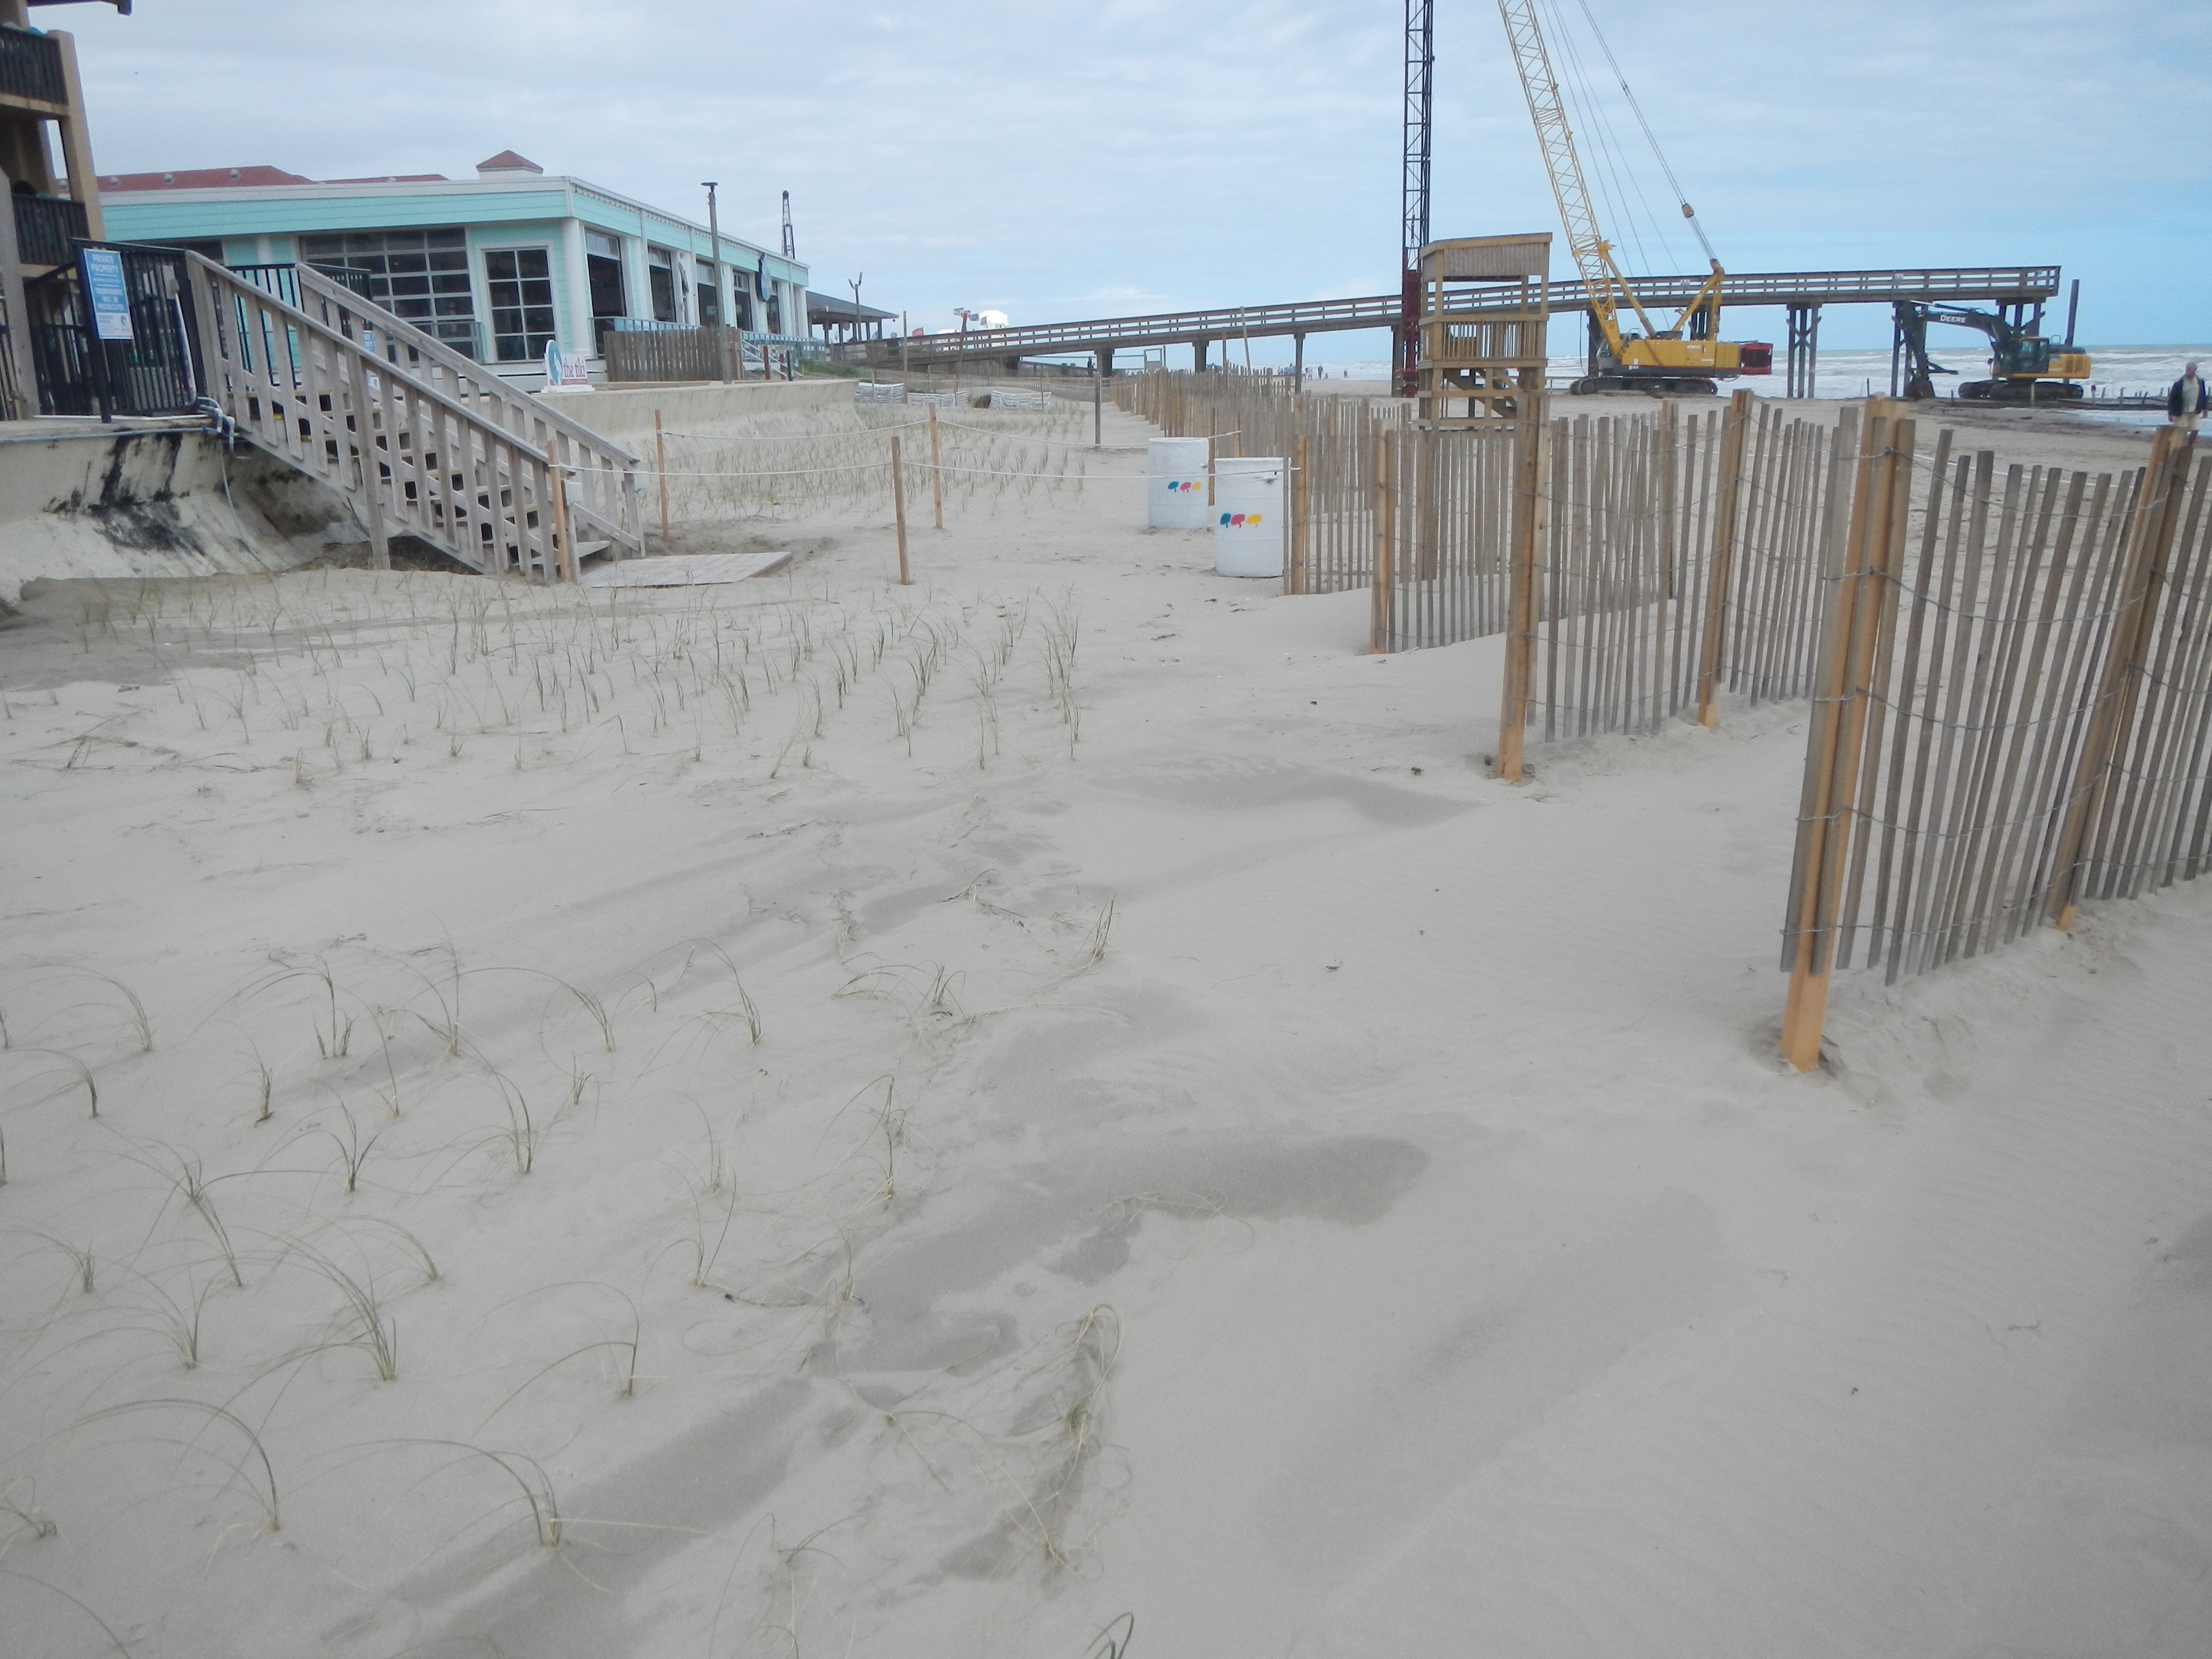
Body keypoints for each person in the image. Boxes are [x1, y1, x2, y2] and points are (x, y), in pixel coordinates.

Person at [2170, 361, 2207, 432]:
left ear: (2195, 370)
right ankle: (2180, 443)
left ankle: (2189, 444)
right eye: (2187, 369)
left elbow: (2203, 395)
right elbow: (2172, 398)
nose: (2188, 371)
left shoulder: (2200, 382)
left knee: (2195, 430)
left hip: (2196, 411)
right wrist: (2170, 413)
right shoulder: (2179, 382)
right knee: (2182, 431)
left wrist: (2205, 410)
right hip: (2182, 411)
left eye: (2190, 369)